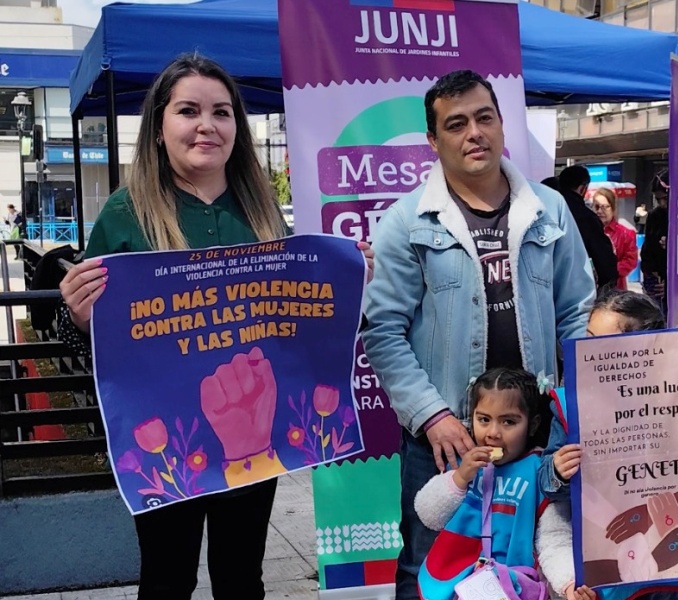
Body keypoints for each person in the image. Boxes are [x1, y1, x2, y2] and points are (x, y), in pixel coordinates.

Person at [56, 53, 372, 600]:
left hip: (255, 427)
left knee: (241, 579)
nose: (207, 124)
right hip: (165, 440)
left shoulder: (262, 210)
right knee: (166, 580)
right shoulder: (124, 213)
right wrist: (79, 315)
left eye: (222, 112)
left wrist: (346, 284)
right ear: (159, 127)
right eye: (188, 110)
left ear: (237, 129)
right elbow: (82, 332)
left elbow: (296, 323)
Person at [361, 69, 595, 600]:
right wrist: (433, 416)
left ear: (501, 123)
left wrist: (581, 406)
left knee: (541, 560)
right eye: (457, 123)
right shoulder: (407, 221)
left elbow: (576, 314)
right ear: (433, 140)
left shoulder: (549, 209)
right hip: (444, 437)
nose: (474, 133)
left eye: (484, 117)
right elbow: (384, 332)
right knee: (429, 567)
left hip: (538, 435)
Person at [540, 289, 678, 600]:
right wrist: (557, 469)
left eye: (606, 347)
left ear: (647, 350)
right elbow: (546, 484)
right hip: (599, 559)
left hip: (669, 560)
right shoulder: (570, 407)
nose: (592, 354)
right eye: (587, 339)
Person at [414, 368, 595, 600]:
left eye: (508, 422)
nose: (493, 433)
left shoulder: (540, 472)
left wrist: (568, 583)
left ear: (533, 424)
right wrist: (459, 478)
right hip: (453, 586)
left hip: (513, 589)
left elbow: (553, 540)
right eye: (483, 419)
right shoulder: (462, 463)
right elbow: (428, 515)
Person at [558, 166, 619, 293]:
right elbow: (605, 263)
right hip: (575, 288)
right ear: (582, 188)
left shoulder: (543, 211)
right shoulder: (586, 218)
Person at [592, 187, 638, 290]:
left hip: (615, 288)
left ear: (613, 208)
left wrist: (609, 270)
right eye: (597, 207)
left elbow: (630, 261)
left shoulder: (626, 233)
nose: (600, 211)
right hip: (590, 288)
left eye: (605, 207)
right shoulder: (586, 231)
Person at [640, 171, 669, 317]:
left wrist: (672, 284)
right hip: (655, 282)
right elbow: (647, 250)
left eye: (665, 198)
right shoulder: (654, 216)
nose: (663, 204)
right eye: (658, 200)